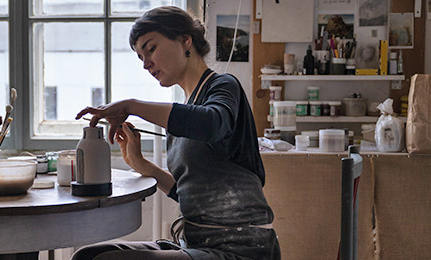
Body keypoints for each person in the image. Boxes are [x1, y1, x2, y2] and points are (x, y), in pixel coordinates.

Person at [72, 6, 280, 260]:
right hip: (195, 243)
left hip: (244, 249)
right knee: (89, 256)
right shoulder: (185, 111)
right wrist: (141, 164)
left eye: (151, 49)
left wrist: (132, 106)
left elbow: (212, 124)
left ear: (185, 40)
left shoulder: (223, 86)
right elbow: (188, 193)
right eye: (141, 58)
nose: (146, 64)